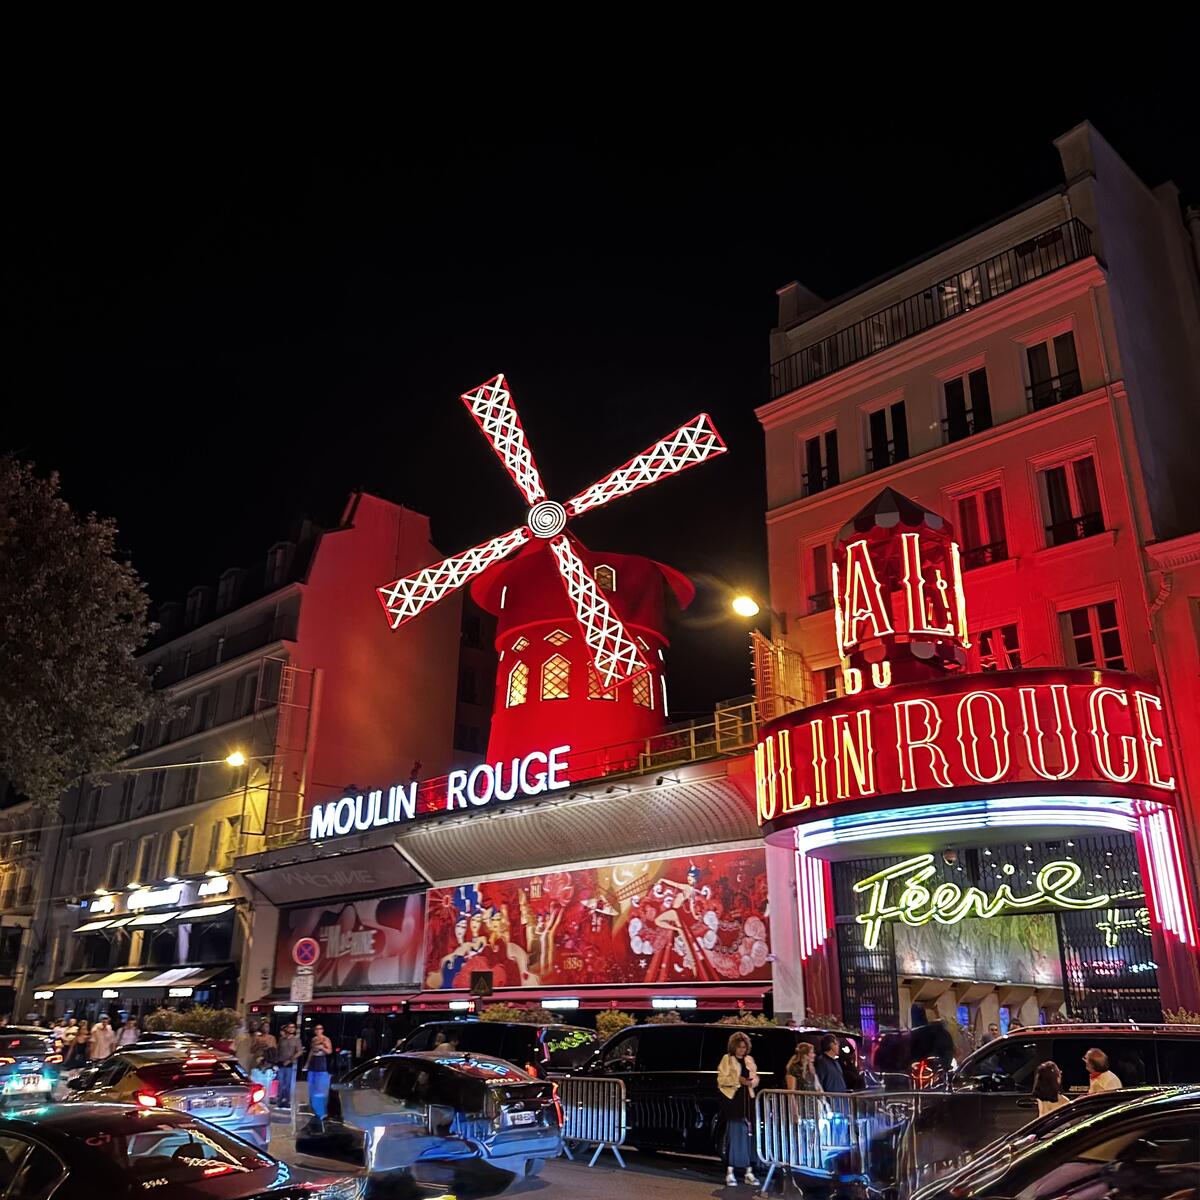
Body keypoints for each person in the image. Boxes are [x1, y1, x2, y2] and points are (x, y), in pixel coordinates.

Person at [716, 1032, 760, 1187]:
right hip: (733, 1100)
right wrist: (738, 1080)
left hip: (748, 1099)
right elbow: (721, 1080)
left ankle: (749, 1171)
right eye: (739, 1047)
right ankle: (730, 1172)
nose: (742, 1050)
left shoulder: (749, 1060)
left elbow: (755, 1077)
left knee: (749, 1135)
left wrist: (751, 1082)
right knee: (735, 1135)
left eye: (744, 1047)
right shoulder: (727, 1060)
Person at [306, 1024, 334, 1123]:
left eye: (320, 1029)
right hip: (313, 1064)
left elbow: (329, 1051)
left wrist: (322, 1048)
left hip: (321, 1064)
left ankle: (321, 1112)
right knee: (312, 1088)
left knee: (320, 1089)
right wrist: (307, 1064)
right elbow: (311, 1052)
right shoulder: (313, 1040)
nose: (318, 1031)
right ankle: (312, 1109)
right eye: (316, 1029)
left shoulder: (326, 1039)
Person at [276, 1024, 302, 1108]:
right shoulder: (281, 1039)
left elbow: (299, 1052)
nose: (291, 1029)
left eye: (292, 1027)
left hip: (290, 1064)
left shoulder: (296, 1040)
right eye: (289, 1027)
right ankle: (279, 1100)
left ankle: (287, 1100)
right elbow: (277, 1050)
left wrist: (290, 1059)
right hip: (280, 1063)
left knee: (288, 1084)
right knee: (280, 1083)